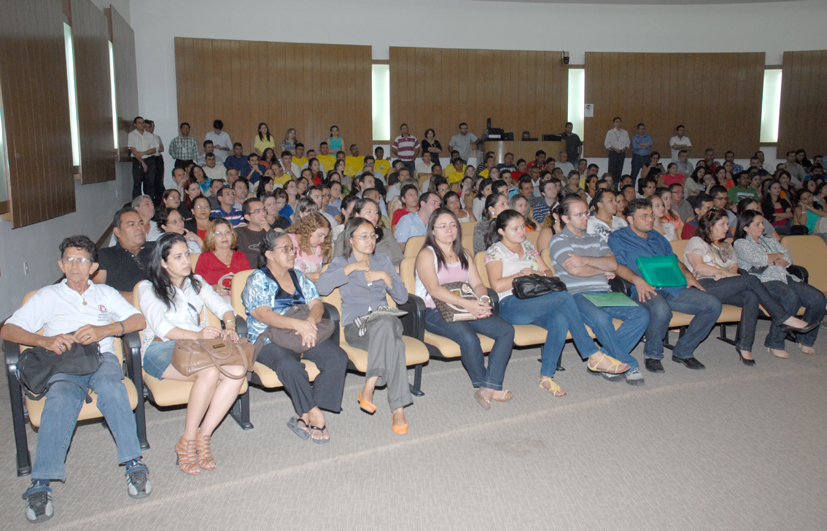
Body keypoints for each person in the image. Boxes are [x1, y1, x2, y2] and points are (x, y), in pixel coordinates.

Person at [2, 236, 150, 523]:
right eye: (68, 259)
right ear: (61, 264)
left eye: (81, 260)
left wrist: (103, 330)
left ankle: (134, 462)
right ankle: (41, 481)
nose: (74, 265)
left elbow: (138, 320)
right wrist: (44, 340)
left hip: (103, 358)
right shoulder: (47, 296)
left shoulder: (105, 293)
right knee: (60, 399)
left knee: (112, 388)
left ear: (93, 267)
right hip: (64, 363)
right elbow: (8, 329)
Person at [138, 232, 246, 474]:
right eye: (178, 257)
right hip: (161, 347)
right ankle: (186, 441)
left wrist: (229, 326)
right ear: (163, 262)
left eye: (186, 254)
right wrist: (198, 335)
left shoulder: (195, 282)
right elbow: (162, 328)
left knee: (237, 370)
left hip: (196, 348)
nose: (186, 260)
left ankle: (203, 436)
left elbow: (223, 306)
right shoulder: (148, 288)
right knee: (209, 373)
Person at [242, 231, 347, 443]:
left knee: (337, 358)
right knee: (289, 366)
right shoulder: (258, 279)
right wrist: (297, 324)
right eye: (286, 249)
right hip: (269, 336)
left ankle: (305, 413)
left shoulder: (298, 276)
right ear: (269, 254)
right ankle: (314, 413)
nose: (292, 253)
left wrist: (309, 323)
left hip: (302, 331)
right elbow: (262, 314)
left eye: (293, 249)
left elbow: (317, 304)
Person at [317, 218, 413, 433]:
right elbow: (322, 288)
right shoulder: (341, 262)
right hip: (357, 326)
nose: (370, 241)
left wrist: (385, 277)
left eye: (372, 236)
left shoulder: (383, 261)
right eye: (363, 236)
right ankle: (398, 410)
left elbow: (402, 297)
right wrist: (351, 268)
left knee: (386, 320)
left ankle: (370, 384)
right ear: (350, 239)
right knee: (395, 345)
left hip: (386, 319)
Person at [683, 209, 816, 364]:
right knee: (750, 280)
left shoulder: (727, 245)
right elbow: (699, 267)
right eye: (723, 224)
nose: (727, 228)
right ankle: (783, 317)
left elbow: (734, 269)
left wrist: (727, 275)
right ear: (711, 226)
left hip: (724, 285)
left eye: (727, 224)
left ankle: (744, 346)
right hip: (703, 284)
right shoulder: (697, 241)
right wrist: (722, 273)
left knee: (751, 296)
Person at [609, 199, 722, 372]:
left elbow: (674, 261)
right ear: (630, 219)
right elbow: (616, 265)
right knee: (661, 309)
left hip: (671, 286)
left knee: (712, 304)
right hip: (643, 288)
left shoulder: (657, 237)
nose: (650, 219)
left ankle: (683, 351)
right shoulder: (618, 238)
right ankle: (653, 354)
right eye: (644, 216)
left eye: (651, 215)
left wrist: (689, 276)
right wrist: (637, 280)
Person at [416, 209, 516, 406]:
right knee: (468, 337)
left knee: (505, 330)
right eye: (443, 226)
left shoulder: (464, 253)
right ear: (432, 230)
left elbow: (477, 283)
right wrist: (468, 304)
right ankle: (486, 384)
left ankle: (489, 386)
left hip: (466, 306)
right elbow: (434, 289)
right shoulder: (427, 254)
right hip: (435, 310)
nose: (449, 230)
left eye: (453, 225)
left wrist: (484, 299)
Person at [548, 198, 649, 385]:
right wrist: (602, 270)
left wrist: (584, 260)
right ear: (565, 218)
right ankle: (629, 363)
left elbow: (613, 264)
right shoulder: (558, 240)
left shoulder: (596, 238)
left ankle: (605, 358)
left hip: (605, 292)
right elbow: (575, 270)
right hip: (577, 295)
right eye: (579, 214)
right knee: (601, 319)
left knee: (641, 314)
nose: (586, 217)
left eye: (586, 213)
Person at [734, 210, 825, 358]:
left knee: (818, 298)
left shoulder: (769, 240)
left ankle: (806, 339)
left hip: (785, 277)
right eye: (757, 224)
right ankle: (774, 342)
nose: (762, 227)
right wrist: (777, 256)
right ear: (745, 227)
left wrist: (772, 260)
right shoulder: (741, 243)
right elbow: (759, 260)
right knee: (790, 297)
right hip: (763, 281)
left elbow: (788, 258)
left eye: (762, 223)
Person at [96, 207, 156, 299]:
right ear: (117, 232)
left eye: (141, 223)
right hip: (122, 306)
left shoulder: (157, 249)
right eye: (131, 224)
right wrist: (137, 298)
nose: (139, 227)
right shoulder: (104, 255)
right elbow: (97, 289)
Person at [334, 197, 403, 268]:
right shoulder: (345, 235)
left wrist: (390, 270)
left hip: (387, 272)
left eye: (376, 212)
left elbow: (399, 259)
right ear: (357, 214)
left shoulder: (385, 233)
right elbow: (337, 265)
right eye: (368, 211)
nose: (374, 215)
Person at [194, 218, 250, 302]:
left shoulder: (240, 256)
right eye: (218, 233)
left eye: (227, 232)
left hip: (240, 298)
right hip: (215, 300)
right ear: (212, 237)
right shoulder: (205, 258)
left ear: (232, 235)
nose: (224, 236)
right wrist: (213, 288)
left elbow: (248, 280)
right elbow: (198, 284)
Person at [285, 212, 331, 282]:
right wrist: (306, 277)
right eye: (320, 235)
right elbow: (279, 273)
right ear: (308, 230)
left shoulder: (317, 248)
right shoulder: (288, 242)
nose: (322, 240)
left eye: (325, 236)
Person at [128, 116, 157, 200]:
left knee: (150, 183)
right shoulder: (132, 135)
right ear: (135, 124)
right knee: (137, 184)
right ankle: (137, 204)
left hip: (149, 160)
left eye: (143, 122)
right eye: (139, 123)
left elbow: (154, 149)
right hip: (137, 160)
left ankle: (150, 202)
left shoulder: (149, 135)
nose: (141, 124)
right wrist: (142, 162)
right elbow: (133, 150)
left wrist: (143, 152)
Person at [604, 117, 630, 185]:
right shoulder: (610, 132)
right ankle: (610, 186)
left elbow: (628, 143)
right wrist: (615, 149)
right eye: (617, 122)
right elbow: (606, 144)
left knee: (619, 171)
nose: (618, 123)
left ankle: (616, 186)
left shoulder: (625, 132)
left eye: (619, 122)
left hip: (622, 153)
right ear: (614, 123)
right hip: (613, 153)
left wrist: (624, 148)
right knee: (611, 171)